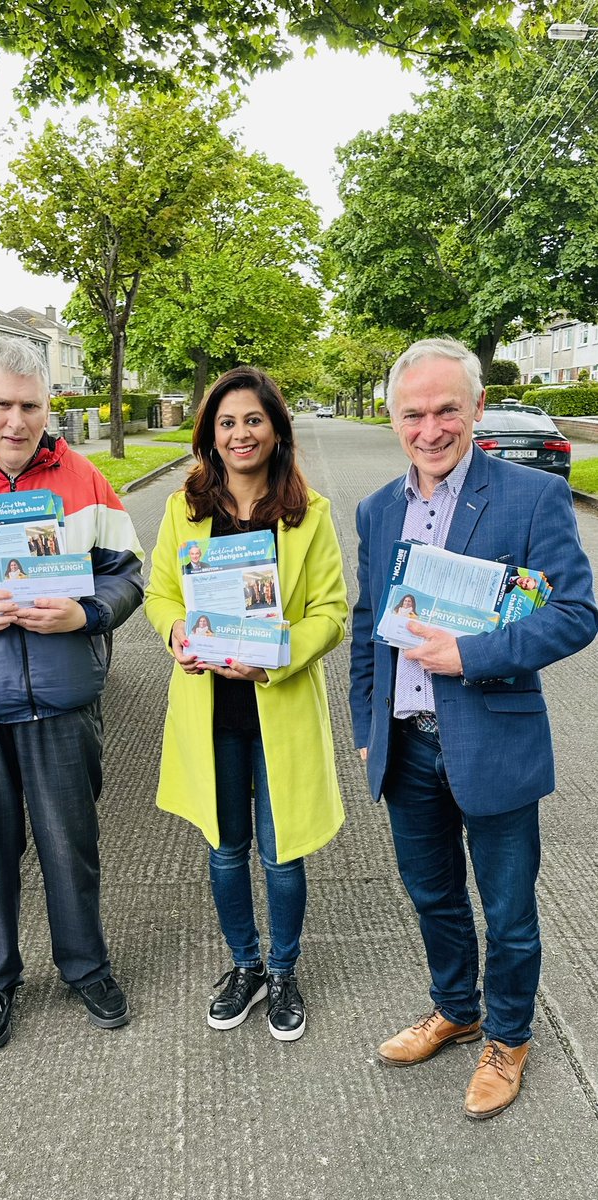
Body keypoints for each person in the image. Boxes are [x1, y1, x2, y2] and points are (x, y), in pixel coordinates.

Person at [349, 337, 597, 1119]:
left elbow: (575, 612)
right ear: (393, 419)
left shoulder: (528, 497)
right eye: (413, 413)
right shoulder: (378, 508)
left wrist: (474, 652)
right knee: (432, 898)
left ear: (476, 408)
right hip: (406, 745)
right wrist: (365, 723)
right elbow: (366, 629)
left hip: (492, 740)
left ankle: (509, 1037)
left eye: (446, 409)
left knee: (508, 911)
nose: (430, 428)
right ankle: (455, 1010)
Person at [0, 337, 145, 1050]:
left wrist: (88, 612)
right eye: (1, 405)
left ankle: (86, 967)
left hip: (62, 700)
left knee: (70, 845)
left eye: (30, 406)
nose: (16, 421)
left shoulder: (83, 480)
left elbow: (129, 572)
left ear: (49, 407)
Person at [145, 365, 347, 1042]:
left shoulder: (307, 514)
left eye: (252, 420)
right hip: (210, 712)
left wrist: (275, 661)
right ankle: (245, 967)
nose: (239, 434)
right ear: (210, 434)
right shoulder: (185, 509)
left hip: (275, 703)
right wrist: (176, 631)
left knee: (280, 852)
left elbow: (330, 612)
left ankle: (284, 972)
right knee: (227, 851)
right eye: (226, 422)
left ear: (275, 429)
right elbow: (161, 594)